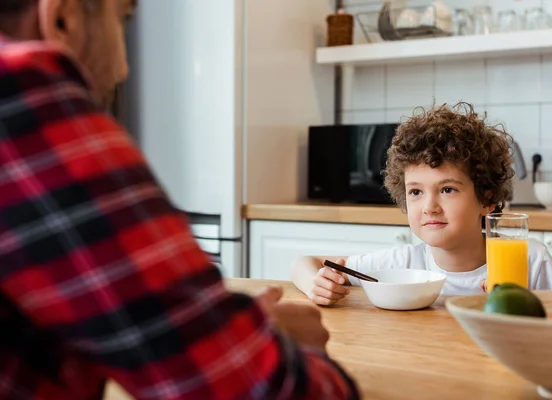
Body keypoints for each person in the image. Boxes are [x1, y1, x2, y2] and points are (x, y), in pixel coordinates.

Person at [0, 0, 359, 399]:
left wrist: (226, 333)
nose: (124, 67)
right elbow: (263, 389)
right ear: (63, 17)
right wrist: (290, 347)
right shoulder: (21, 88)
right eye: (123, 21)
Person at [291, 103, 552, 306]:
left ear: (487, 198)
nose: (429, 206)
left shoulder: (529, 260)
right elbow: (306, 263)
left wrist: (521, 304)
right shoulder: (404, 263)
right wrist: (315, 285)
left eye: (447, 189)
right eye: (416, 192)